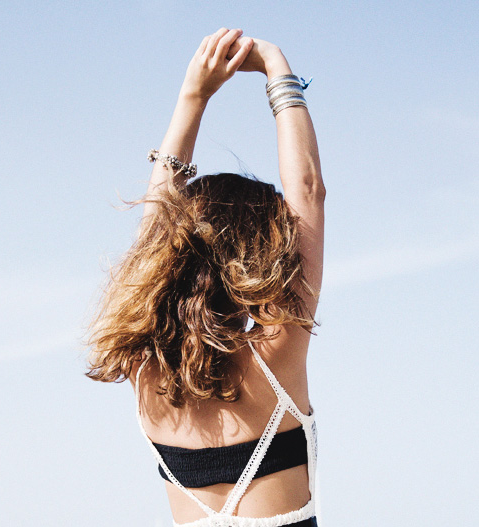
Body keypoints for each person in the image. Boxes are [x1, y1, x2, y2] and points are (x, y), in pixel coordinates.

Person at [86, 28, 325, 527]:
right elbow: (306, 188)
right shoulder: (279, 352)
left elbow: (157, 230)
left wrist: (192, 96)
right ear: (263, 253)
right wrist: (277, 67)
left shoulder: (145, 371)